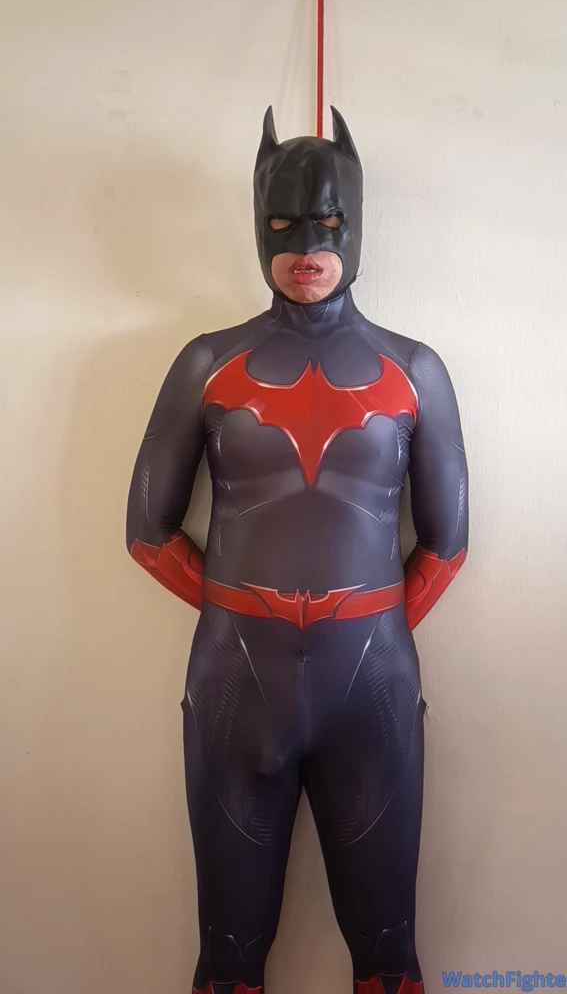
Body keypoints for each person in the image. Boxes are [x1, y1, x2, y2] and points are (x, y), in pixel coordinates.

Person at [126, 106, 469, 994]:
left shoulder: (416, 371)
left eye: (329, 223)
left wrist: (357, 623)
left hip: (371, 687)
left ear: (356, 224)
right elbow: (146, 532)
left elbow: (448, 542)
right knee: (228, 955)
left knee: (389, 954)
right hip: (238, 687)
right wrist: (255, 613)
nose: (308, 245)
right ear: (256, 225)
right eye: (282, 224)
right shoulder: (206, 363)